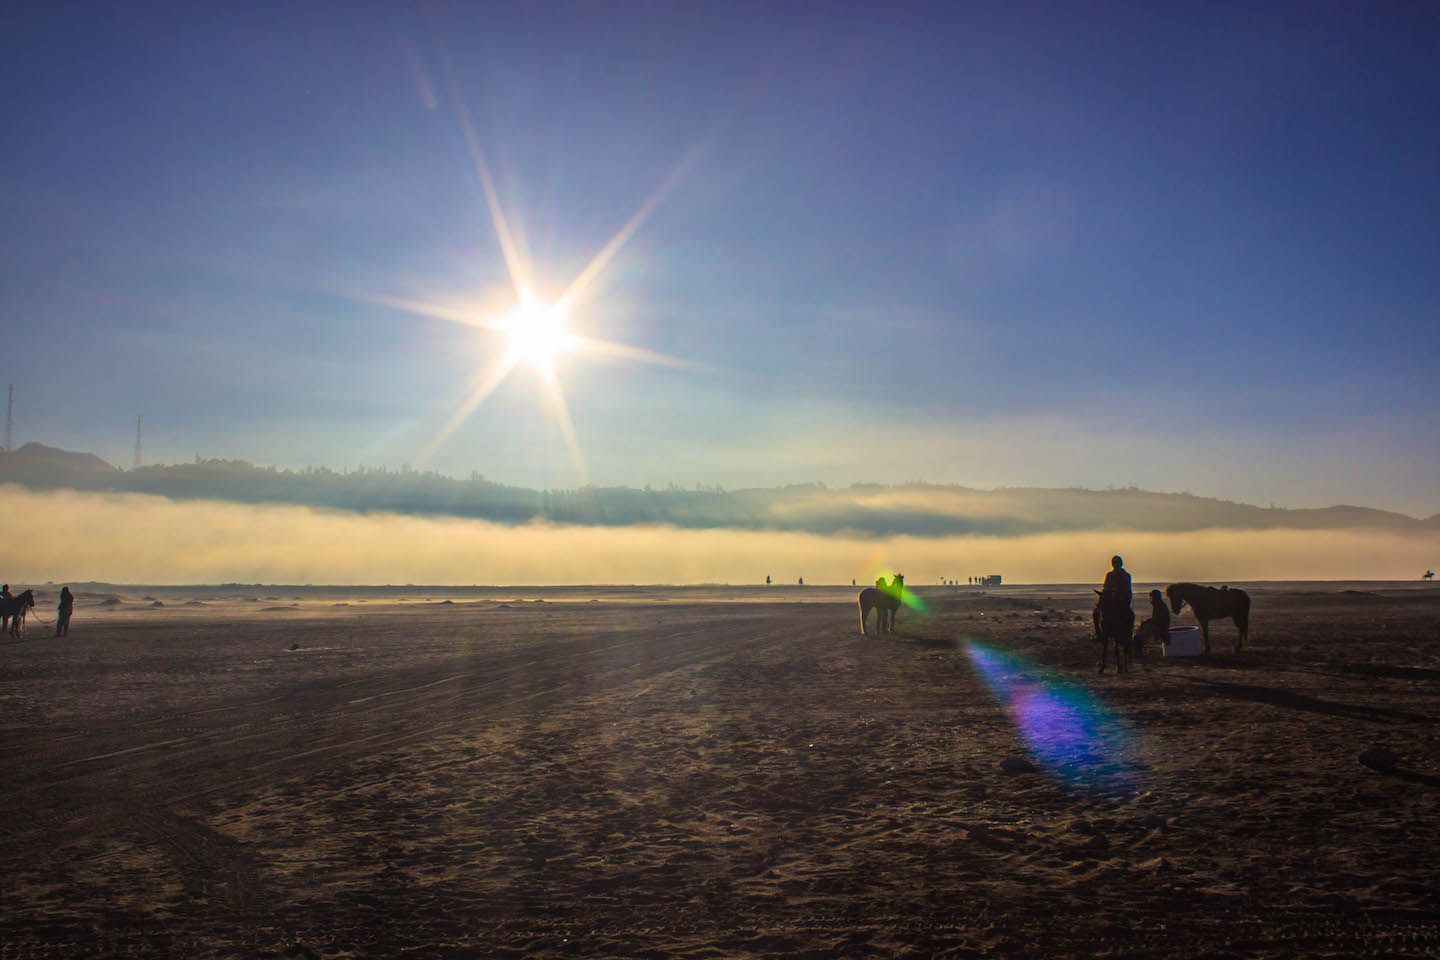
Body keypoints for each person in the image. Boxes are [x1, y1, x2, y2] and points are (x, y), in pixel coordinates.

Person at [1133, 588, 1169, 655]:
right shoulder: (1159, 605)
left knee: (1138, 636)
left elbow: (1157, 620)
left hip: (1159, 627)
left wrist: (1147, 622)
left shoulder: (1160, 606)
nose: (1151, 599)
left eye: (1152, 597)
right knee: (1140, 632)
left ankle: (1138, 652)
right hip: (1158, 625)